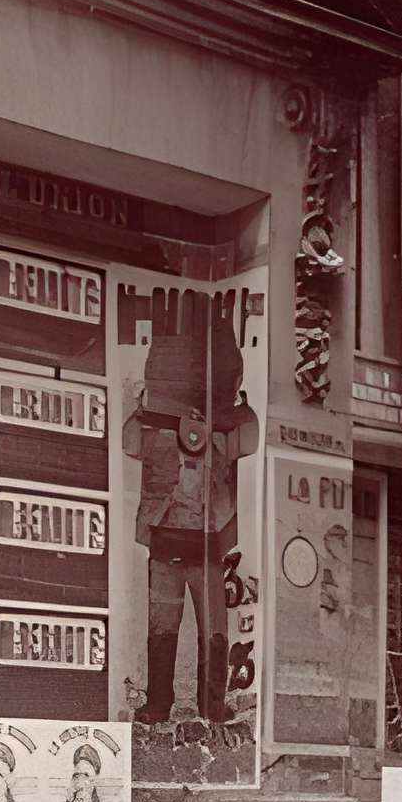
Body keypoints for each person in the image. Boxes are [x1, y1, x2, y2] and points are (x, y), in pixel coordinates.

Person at [122, 301, 259, 723]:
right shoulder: (180, 436)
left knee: (207, 632)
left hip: (196, 549)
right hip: (183, 547)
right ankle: (173, 704)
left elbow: (248, 436)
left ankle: (206, 706)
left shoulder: (167, 436)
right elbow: (131, 441)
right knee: (175, 629)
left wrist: (151, 409)